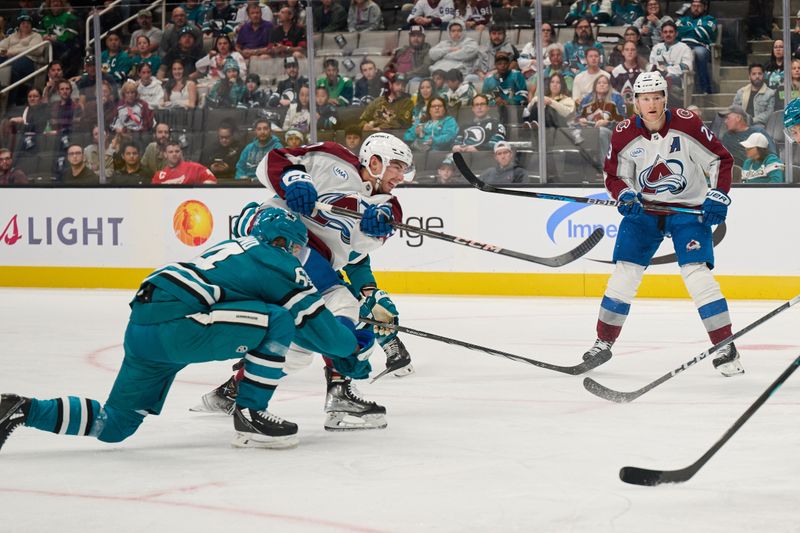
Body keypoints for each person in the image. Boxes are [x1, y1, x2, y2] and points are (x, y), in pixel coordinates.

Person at [0, 207, 378, 452]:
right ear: (283, 242)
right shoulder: (275, 260)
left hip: (144, 326)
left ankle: (22, 409)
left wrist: (343, 348)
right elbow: (318, 330)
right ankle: (250, 414)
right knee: (276, 320)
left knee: (115, 425)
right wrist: (354, 346)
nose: (299, 257)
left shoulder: (236, 250)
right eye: (297, 248)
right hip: (177, 324)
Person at [583, 71, 742, 377]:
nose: (652, 103)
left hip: (687, 211)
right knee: (625, 274)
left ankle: (725, 344)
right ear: (636, 103)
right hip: (644, 213)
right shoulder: (623, 132)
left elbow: (720, 159)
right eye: (645, 98)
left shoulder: (687, 123)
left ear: (665, 99)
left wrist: (718, 195)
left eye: (657, 97)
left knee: (696, 274)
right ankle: (602, 342)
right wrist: (624, 194)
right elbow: (614, 174)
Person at [647, 21, 693, 108]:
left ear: (676, 34)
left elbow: (687, 66)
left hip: (678, 80)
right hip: (658, 79)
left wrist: (667, 70)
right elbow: (651, 65)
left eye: (671, 32)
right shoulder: (656, 48)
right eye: (665, 32)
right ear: (662, 34)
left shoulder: (684, 48)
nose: (668, 34)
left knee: (668, 79)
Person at [676, 0, 717, 94]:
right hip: (683, 46)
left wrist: (686, 30)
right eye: (694, 6)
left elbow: (707, 32)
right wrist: (696, 29)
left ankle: (704, 88)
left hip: (700, 46)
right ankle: (681, 90)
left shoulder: (710, 19)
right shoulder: (683, 19)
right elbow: (676, 31)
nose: (696, 8)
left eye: (699, 6)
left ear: (704, 7)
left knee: (699, 53)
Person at [152, 141, 217, 184]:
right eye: (171, 152)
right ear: (165, 154)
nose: (174, 154)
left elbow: (212, 180)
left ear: (181, 153)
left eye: (177, 151)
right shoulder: (158, 176)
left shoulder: (194, 168)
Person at [610, 40, 645, 114]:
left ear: (636, 52)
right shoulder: (616, 72)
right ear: (623, 52)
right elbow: (613, 94)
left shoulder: (643, 72)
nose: (630, 52)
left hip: (639, 110)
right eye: (627, 49)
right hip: (619, 110)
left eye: (632, 49)